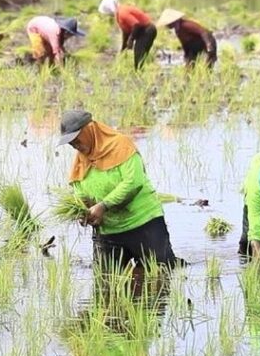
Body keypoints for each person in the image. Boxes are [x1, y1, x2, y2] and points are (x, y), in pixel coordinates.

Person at [58, 110, 179, 279]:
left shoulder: (121, 146)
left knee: (160, 278)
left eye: (77, 139)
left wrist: (103, 205)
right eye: (70, 143)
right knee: (106, 282)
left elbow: (133, 183)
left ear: (89, 130)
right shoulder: (80, 162)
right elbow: (80, 193)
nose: (74, 145)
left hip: (144, 224)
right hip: (108, 231)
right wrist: (85, 212)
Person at [97, 0, 157, 71]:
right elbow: (126, 33)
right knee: (139, 56)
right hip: (144, 31)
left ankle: (139, 72)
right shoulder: (119, 15)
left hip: (147, 30)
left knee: (139, 54)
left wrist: (131, 39)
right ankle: (139, 71)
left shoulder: (122, 12)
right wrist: (123, 49)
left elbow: (136, 25)